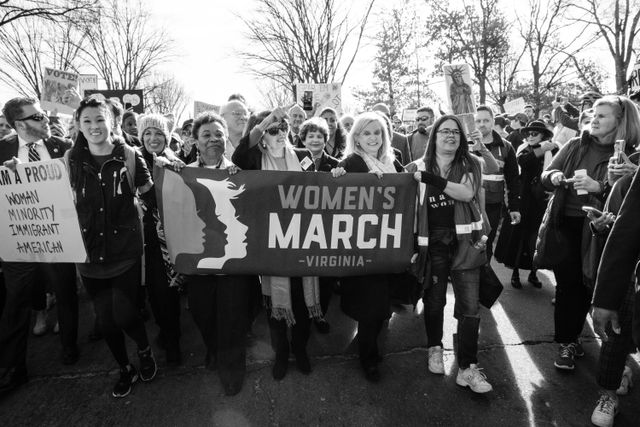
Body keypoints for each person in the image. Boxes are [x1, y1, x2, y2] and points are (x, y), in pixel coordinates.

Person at [539, 95, 640, 371]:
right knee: (569, 286)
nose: (593, 118)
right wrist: (556, 177)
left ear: (621, 122)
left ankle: (614, 356)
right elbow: (546, 174)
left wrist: (599, 188)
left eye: (602, 115)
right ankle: (568, 342)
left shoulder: (631, 156)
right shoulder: (575, 144)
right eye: (593, 113)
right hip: (566, 225)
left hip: (602, 231)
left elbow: (628, 202)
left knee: (597, 286)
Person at [66, 97, 157, 398]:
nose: (94, 126)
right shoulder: (69, 161)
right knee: (105, 321)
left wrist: (171, 168)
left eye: (100, 119)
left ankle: (144, 351)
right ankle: (124, 368)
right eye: (87, 121)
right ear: (78, 125)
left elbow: (152, 196)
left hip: (124, 254)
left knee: (125, 314)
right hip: (88, 255)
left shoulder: (131, 157)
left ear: (112, 122)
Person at [233, 108, 323, 381]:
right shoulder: (254, 159)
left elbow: (321, 189)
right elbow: (238, 154)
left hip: (303, 239)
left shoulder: (304, 156)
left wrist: (339, 173)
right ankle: (281, 353)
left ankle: (301, 349)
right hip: (271, 242)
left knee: (302, 301)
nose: (281, 132)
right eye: (273, 130)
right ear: (261, 137)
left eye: (283, 127)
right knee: (276, 307)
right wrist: (266, 120)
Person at [407, 114, 492, 394]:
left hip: (465, 244)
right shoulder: (415, 167)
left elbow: (466, 193)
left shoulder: (471, 163)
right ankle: (434, 347)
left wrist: (431, 179)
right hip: (433, 245)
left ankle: (467, 367)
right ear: (434, 136)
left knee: (469, 307)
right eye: (444, 131)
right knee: (434, 301)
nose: (451, 136)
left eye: (456, 132)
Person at [0, 98, 79, 397]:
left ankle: (69, 347)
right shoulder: (2, 151)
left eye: (44, 114)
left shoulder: (64, 146)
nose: (46, 119)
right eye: (37, 116)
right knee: (16, 302)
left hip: (59, 236)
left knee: (65, 292)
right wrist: (8, 179)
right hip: (19, 242)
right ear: (20, 124)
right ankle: (12, 368)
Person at [178, 111, 255, 395]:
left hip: (233, 260)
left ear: (226, 140)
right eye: (206, 135)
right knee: (202, 313)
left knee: (233, 317)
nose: (213, 139)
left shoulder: (240, 173)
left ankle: (232, 368)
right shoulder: (181, 175)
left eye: (218, 134)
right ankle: (214, 348)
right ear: (195, 141)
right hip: (199, 259)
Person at [330, 112, 404, 382]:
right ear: (357, 138)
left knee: (381, 304)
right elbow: (337, 201)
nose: (373, 138)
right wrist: (337, 176)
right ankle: (368, 359)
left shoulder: (391, 162)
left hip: (387, 245)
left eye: (377, 132)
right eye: (366, 133)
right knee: (370, 306)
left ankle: (369, 347)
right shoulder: (349, 162)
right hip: (361, 246)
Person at [591, 166, 640, 427]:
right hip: (633, 275)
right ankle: (608, 395)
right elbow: (625, 232)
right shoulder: (630, 180)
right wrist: (605, 299)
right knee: (616, 330)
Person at [137, 114, 184, 366]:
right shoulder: (131, 161)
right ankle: (165, 332)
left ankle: (173, 341)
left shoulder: (176, 163)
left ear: (166, 137)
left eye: (158, 134)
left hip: (171, 240)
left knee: (169, 293)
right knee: (155, 295)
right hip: (143, 240)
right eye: (147, 133)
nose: (153, 138)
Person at [495, 120, 558, 288]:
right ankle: (515, 273)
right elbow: (523, 162)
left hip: (541, 201)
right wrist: (542, 149)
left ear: (543, 135)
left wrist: (554, 188)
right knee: (518, 236)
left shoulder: (554, 150)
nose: (530, 136)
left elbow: (559, 169)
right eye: (528, 133)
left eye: (534, 134)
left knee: (536, 238)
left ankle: (533, 273)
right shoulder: (524, 149)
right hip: (523, 200)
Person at [298, 117, 339, 333]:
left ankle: (320, 314)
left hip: (327, 230)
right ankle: (304, 312)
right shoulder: (293, 160)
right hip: (301, 229)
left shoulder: (336, 164)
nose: (315, 140)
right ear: (303, 139)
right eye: (310, 135)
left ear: (326, 139)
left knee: (325, 277)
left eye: (319, 136)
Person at [471, 105, 520, 263]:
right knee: (469, 243)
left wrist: (514, 207)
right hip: (468, 204)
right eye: (478, 121)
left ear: (493, 121)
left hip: (492, 206)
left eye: (486, 120)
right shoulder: (465, 144)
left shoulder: (506, 146)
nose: (481, 124)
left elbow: (513, 179)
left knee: (485, 243)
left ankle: (485, 276)